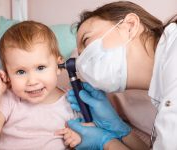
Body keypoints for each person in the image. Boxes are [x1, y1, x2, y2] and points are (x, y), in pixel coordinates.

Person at [57, 1, 177, 150]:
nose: (81, 63)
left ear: (130, 25)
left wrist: (106, 143)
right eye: (80, 56)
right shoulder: (162, 88)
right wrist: (121, 131)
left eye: (86, 40)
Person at [0, 21, 83, 150]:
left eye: (40, 68)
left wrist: (77, 137)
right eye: (21, 71)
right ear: (7, 75)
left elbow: (87, 133)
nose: (32, 81)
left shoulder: (71, 100)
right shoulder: (9, 99)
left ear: (58, 65)